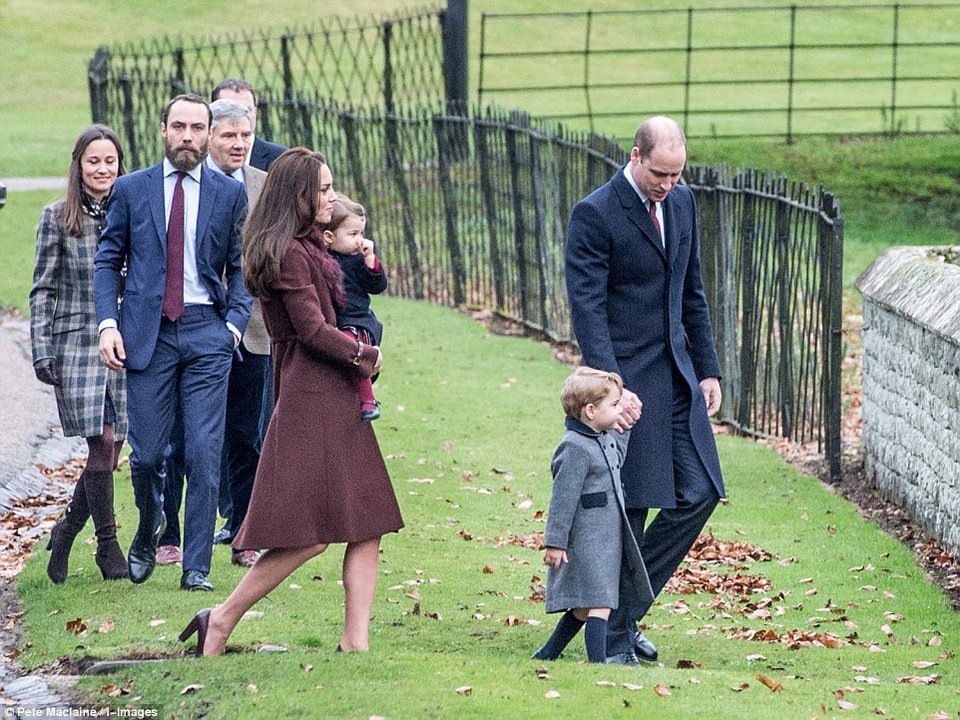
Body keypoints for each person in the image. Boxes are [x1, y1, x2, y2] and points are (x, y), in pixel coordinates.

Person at [180, 148, 403, 657]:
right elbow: (311, 331)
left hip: (334, 391)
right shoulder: (288, 251)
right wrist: (364, 355)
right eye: (323, 190)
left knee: (368, 521)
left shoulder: (310, 246)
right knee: (309, 534)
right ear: (298, 196)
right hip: (311, 394)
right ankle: (220, 618)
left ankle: (356, 644)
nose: (331, 197)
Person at [564, 115, 725, 665]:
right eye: (660, 173)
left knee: (700, 492)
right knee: (628, 509)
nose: (668, 185)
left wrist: (709, 369)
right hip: (627, 381)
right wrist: (612, 389)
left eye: (677, 175)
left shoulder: (681, 204)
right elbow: (587, 308)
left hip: (678, 375)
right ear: (636, 156)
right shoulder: (595, 213)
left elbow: (692, 289)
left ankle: (624, 613)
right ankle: (609, 638)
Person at [94, 93, 251, 592]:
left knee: (205, 453)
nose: (188, 136)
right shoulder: (131, 189)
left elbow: (241, 267)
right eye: (179, 126)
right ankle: (148, 529)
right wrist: (108, 324)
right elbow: (107, 260)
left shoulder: (228, 194)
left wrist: (233, 325)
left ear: (208, 133)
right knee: (147, 454)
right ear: (163, 130)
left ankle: (197, 568)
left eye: (197, 127)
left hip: (208, 331)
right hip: (147, 334)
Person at [155, 99, 268, 569]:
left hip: (252, 332)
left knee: (245, 435)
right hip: (190, 328)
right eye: (227, 136)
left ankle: (244, 531)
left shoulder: (265, 185)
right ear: (207, 138)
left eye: (244, 136)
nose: (238, 144)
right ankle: (170, 532)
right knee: (181, 439)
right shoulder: (185, 187)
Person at [30, 124, 130, 584]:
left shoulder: (132, 211)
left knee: (114, 448)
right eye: (94, 161)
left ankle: (68, 529)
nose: (102, 169)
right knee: (102, 441)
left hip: (125, 342)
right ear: (78, 165)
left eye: (110, 161)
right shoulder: (56, 217)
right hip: (74, 342)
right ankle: (108, 549)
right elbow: (42, 288)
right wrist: (41, 350)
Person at [532, 367, 652, 663]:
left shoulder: (602, 437)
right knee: (600, 604)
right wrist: (555, 542)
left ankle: (548, 653)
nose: (618, 410)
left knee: (584, 609)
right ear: (589, 411)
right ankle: (598, 665)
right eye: (613, 406)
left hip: (606, 540)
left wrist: (626, 428)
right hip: (586, 541)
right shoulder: (574, 448)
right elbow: (562, 499)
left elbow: (616, 460)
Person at [321, 193, 387, 421]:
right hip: (336, 319)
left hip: (357, 319)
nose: (360, 240)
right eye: (353, 234)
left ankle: (367, 399)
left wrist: (371, 262)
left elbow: (377, 286)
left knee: (353, 347)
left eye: (362, 233)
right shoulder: (322, 259)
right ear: (329, 237)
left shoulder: (358, 260)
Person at [211, 79, 286, 171]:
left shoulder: (282, 160)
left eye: (246, 110)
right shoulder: (197, 161)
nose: (240, 116)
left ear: (255, 113)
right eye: (230, 110)